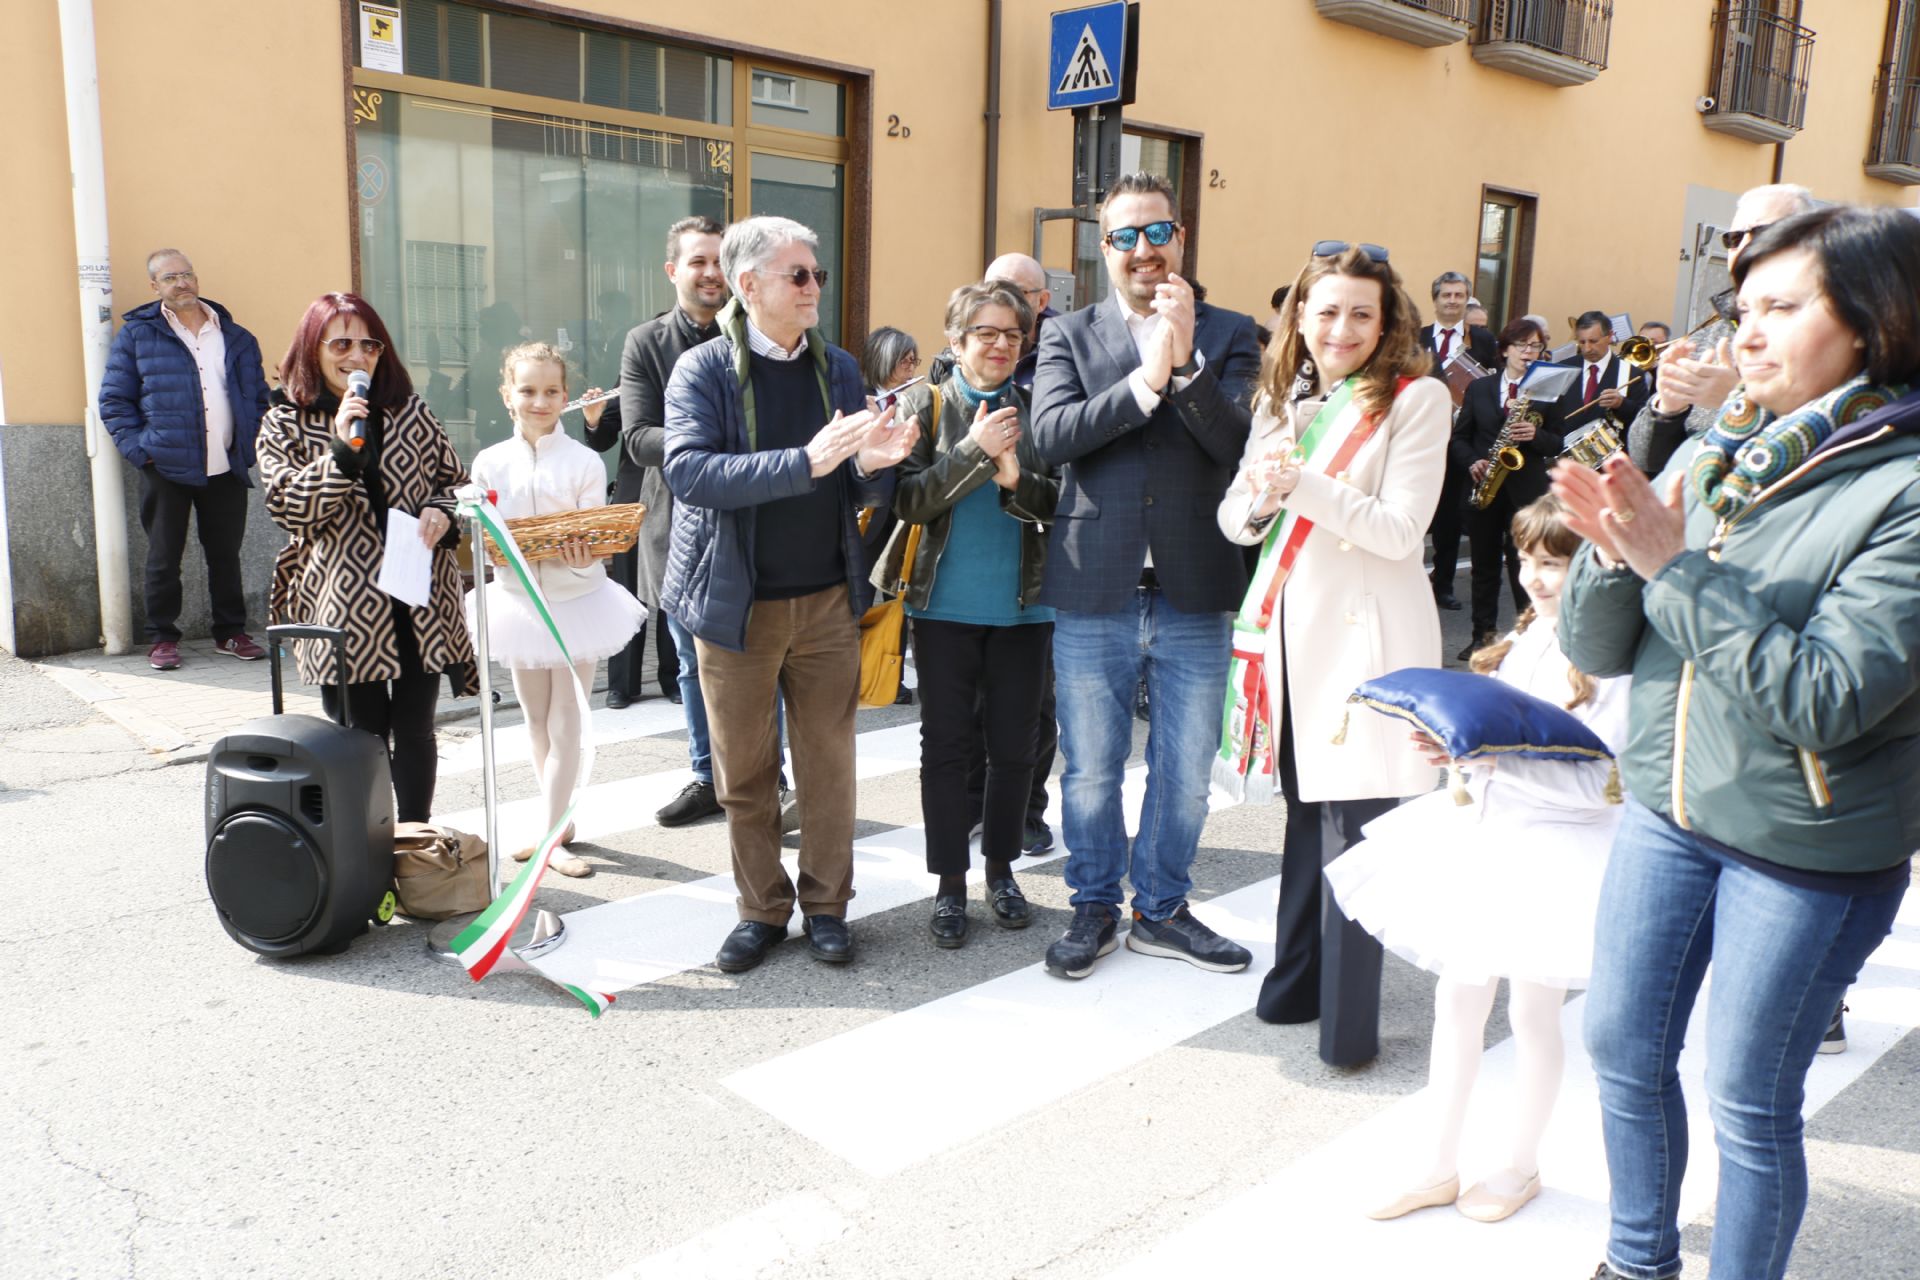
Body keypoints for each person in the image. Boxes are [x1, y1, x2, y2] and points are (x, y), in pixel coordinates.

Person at [1554, 204, 1920, 1280]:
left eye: (1783, 307)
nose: (1745, 333)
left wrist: (1671, 566)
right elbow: (1598, 648)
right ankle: (1638, 1260)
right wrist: (1615, 549)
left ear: (1876, 320)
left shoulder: (1904, 486)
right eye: (1742, 307)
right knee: (1622, 1048)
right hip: (1669, 810)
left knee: (1750, 1100)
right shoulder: (1724, 450)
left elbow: (1827, 696)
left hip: (1807, 845)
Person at [1325, 496, 1628, 1223]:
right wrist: (1455, 754)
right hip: (1483, 835)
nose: (1534, 577)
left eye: (1553, 563)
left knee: (1533, 1013)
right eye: (1526, 560)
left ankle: (1520, 1166)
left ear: (1595, 567)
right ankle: (1436, 1165)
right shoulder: (1527, 636)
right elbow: (1493, 742)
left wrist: (1492, 761)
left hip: (1556, 852)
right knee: (1456, 1001)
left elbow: (1607, 787)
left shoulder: (1615, 664)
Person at [661, 216, 918, 973]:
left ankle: (828, 907)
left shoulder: (838, 367)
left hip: (827, 599)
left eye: (817, 275)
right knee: (745, 775)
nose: (813, 288)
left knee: (829, 768)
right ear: (749, 285)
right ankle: (761, 910)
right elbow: (690, 473)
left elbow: (854, 482)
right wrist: (804, 461)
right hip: (736, 606)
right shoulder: (702, 369)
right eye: (798, 275)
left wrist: (873, 464)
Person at [1216, 241, 1449, 1066]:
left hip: (1362, 645)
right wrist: (1260, 499)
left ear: (1386, 323)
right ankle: (1296, 984)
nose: (1341, 328)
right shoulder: (1282, 400)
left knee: (1354, 832)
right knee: (1306, 816)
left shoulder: (1415, 400)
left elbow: (1399, 530)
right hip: (1290, 639)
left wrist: (1302, 484)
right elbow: (1237, 518)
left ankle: (1348, 1031)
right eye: (1326, 312)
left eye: (1360, 313)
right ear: (1300, 320)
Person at [1029, 172, 1262, 981]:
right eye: (1125, 236)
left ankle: (1161, 908)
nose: (1143, 250)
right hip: (1095, 584)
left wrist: (1186, 361)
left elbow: (1237, 444)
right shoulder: (1068, 334)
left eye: (1156, 232)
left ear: (1180, 238)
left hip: (1197, 586)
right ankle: (1093, 905)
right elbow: (1051, 437)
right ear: (1104, 248)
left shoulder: (1232, 333)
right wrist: (1144, 384)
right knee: (1091, 769)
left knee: (1187, 773)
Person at [257, 292, 475, 822]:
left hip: (417, 600)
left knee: (417, 729)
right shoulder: (284, 422)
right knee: (360, 736)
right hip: (344, 607)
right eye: (341, 344)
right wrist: (340, 451)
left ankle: (415, 839)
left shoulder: (410, 411)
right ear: (313, 349)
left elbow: (457, 485)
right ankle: (367, 848)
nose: (357, 356)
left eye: (369, 345)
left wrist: (443, 512)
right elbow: (289, 509)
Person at [892, 282, 1059, 948]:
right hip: (944, 607)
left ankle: (1001, 871)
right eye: (985, 333)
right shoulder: (923, 405)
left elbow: (1061, 502)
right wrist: (973, 452)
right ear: (956, 341)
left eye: (1012, 335)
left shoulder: (1041, 407)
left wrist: (1017, 480)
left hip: (1026, 607)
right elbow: (907, 500)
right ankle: (950, 884)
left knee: (1015, 747)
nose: (1000, 345)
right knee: (946, 746)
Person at [467, 343, 646, 878]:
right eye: (527, 390)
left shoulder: (584, 461)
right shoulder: (489, 462)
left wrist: (584, 553)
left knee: (567, 718)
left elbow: (593, 533)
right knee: (535, 719)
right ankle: (557, 823)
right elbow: (483, 535)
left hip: (576, 602)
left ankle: (550, 840)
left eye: (550, 391)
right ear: (508, 396)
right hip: (517, 602)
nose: (539, 401)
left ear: (566, 397)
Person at [99, 249, 271, 670]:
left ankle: (230, 632)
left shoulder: (236, 337)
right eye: (170, 277)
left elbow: (259, 398)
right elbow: (115, 401)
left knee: (225, 555)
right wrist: (142, 451)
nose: (182, 283)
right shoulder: (138, 336)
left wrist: (248, 444)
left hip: (226, 465)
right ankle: (162, 637)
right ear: (154, 286)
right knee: (164, 556)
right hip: (166, 465)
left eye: (187, 274)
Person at [620, 216, 736, 826]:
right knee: (690, 659)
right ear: (673, 271)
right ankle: (706, 776)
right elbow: (638, 438)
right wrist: (713, 443)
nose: (711, 273)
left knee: (756, 658)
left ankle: (767, 776)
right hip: (675, 518)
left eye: (720, 261)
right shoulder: (646, 342)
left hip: (747, 515)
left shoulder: (753, 333)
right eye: (698, 261)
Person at [1626, 183, 1815, 477]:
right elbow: (1646, 460)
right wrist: (1667, 409)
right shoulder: (1706, 338)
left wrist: (1740, 402)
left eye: (1762, 233)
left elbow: (1835, 442)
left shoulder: (1827, 335)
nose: (1744, 245)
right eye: (1734, 238)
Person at [1452, 317, 1556, 658]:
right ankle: (1482, 636)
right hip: (1484, 486)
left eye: (1535, 346)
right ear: (1505, 350)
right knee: (1483, 567)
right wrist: (1472, 461)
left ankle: (1530, 638)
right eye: (1522, 345)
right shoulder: (1480, 388)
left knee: (1524, 566)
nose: (1529, 352)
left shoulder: (1548, 390)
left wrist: (1536, 435)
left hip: (1525, 492)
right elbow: (1459, 438)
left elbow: (1558, 441)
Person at [1418, 270, 1499, 613]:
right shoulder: (1416, 337)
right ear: (1435, 300)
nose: (1452, 301)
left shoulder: (1482, 340)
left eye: (1459, 295)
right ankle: (1410, 583)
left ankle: (1444, 585)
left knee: (1450, 518)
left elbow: (1494, 383)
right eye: (1446, 295)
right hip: (1421, 437)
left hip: (1460, 439)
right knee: (1415, 510)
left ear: (1467, 301)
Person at [1558, 311, 1649, 441]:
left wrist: (1622, 404)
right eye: (1582, 342)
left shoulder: (1632, 374)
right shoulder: (1564, 368)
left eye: (1593, 341)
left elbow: (1645, 421)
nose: (1587, 348)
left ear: (1610, 336)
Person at [983, 253, 1058, 390]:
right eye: (994, 291)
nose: (1003, 302)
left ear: (1042, 301)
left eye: (1017, 293)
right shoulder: (962, 350)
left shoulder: (1065, 355)